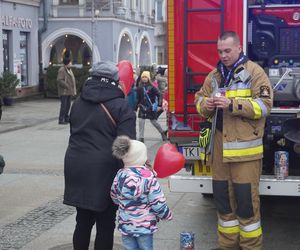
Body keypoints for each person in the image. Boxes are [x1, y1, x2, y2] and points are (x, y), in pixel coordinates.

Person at [194, 31, 273, 250]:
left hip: (245, 154)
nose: (223, 55)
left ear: (239, 48)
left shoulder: (255, 73)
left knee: (247, 205)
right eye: (220, 51)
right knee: (223, 203)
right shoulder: (215, 75)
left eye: (227, 50)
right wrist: (205, 105)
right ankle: (227, 246)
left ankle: (250, 247)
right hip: (219, 151)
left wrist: (232, 104)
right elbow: (199, 100)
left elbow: (265, 106)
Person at [63, 61, 136, 250]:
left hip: (76, 166)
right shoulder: (121, 106)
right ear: (115, 80)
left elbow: (74, 132)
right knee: (105, 225)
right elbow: (125, 147)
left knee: (83, 221)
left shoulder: (78, 102)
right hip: (105, 171)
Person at [110, 135, 173, 250]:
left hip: (126, 225)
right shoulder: (148, 177)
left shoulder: (120, 174)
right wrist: (166, 214)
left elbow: (114, 195)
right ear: (141, 157)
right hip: (145, 226)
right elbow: (157, 201)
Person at [136, 71, 167, 142]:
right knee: (141, 122)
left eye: (146, 77)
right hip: (142, 107)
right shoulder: (139, 87)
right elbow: (138, 98)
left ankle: (162, 133)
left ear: (148, 78)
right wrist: (135, 108)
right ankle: (141, 138)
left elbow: (159, 95)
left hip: (151, 108)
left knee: (154, 122)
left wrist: (159, 105)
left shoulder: (152, 87)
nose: (144, 78)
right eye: (143, 77)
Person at [57, 51, 77, 125]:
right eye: (70, 63)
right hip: (64, 91)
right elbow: (59, 80)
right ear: (67, 63)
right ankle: (61, 119)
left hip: (69, 91)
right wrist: (67, 86)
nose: (71, 64)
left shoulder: (69, 70)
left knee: (68, 106)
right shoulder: (62, 70)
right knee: (64, 106)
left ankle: (66, 118)